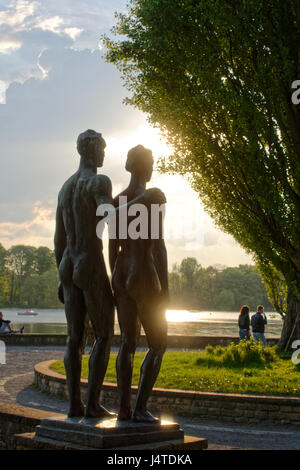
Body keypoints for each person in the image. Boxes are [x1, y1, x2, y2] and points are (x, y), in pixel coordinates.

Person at [109, 145, 168, 423]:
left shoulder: (117, 200)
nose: (153, 166)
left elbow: (111, 247)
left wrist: (115, 280)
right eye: (152, 161)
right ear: (145, 167)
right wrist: (165, 289)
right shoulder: (154, 197)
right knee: (158, 344)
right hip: (144, 272)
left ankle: (123, 409)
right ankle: (140, 408)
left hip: (122, 273)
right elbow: (158, 246)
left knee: (127, 343)